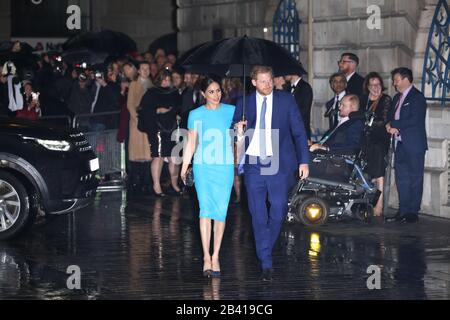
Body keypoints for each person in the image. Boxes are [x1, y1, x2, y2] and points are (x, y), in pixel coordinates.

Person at [233, 66, 309, 282]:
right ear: (254, 82)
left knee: (278, 210)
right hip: (254, 164)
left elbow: (299, 131)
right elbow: (234, 132)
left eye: (270, 80)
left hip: (278, 163)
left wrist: (304, 160)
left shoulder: (286, 100)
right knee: (257, 213)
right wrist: (238, 129)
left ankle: (264, 246)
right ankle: (266, 261)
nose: (268, 85)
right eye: (263, 81)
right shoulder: (244, 102)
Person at [180, 75, 236, 278]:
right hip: (203, 166)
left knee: (220, 212)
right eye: (211, 91)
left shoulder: (232, 111)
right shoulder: (195, 114)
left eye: (219, 90)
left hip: (225, 166)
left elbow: (236, 138)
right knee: (205, 210)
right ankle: (205, 257)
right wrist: (184, 167)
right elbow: (191, 143)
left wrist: (239, 130)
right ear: (203, 94)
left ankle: (216, 256)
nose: (216, 95)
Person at [385, 67, 428, 224]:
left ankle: (412, 212)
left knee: (415, 178)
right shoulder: (397, 97)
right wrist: (389, 125)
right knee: (401, 178)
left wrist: (395, 124)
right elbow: (390, 115)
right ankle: (402, 210)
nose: (394, 82)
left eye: (396, 79)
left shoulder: (417, 97)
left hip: (414, 144)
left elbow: (414, 120)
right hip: (400, 143)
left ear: (406, 79)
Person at [139, 70, 182, 196]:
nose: (166, 82)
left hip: (173, 127)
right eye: (163, 79)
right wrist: (157, 110)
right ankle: (156, 186)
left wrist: (178, 114)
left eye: (168, 79)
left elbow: (180, 107)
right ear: (159, 80)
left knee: (174, 157)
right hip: (157, 129)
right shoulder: (151, 93)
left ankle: (174, 184)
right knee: (159, 156)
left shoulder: (175, 93)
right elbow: (144, 111)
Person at [360, 72, 392, 216]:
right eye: (372, 84)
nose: (375, 87)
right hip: (365, 141)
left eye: (378, 84)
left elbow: (383, 120)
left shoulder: (385, 99)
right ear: (367, 86)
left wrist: (366, 123)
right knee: (366, 172)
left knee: (378, 173)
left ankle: (378, 206)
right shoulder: (363, 99)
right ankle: (366, 204)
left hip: (379, 141)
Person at [127, 62, 153, 194]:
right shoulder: (133, 85)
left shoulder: (152, 85)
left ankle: (146, 182)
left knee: (147, 153)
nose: (145, 71)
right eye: (143, 69)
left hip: (148, 122)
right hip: (137, 122)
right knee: (136, 153)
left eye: (147, 68)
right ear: (138, 71)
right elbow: (130, 104)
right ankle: (135, 181)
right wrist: (137, 117)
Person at [285, 73, 313, 141]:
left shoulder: (305, 87)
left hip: (300, 130)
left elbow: (304, 111)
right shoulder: (287, 87)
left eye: (286, 72)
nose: (284, 74)